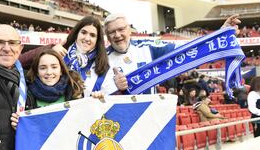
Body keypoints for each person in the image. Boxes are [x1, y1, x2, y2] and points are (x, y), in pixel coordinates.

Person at [102, 13, 241, 94]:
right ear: (107, 36)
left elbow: (185, 48)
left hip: (147, 119)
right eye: (111, 32)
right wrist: (115, 86)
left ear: (129, 30)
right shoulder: (101, 60)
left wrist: (219, 34)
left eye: (121, 29)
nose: (117, 35)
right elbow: (94, 95)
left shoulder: (147, 48)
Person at [20, 16, 109, 96]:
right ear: (77, 33)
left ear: (98, 40)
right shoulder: (60, 52)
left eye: (92, 35)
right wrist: (50, 48)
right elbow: (20, 61)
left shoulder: (101, 64)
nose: (87, 38)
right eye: (84, 32)